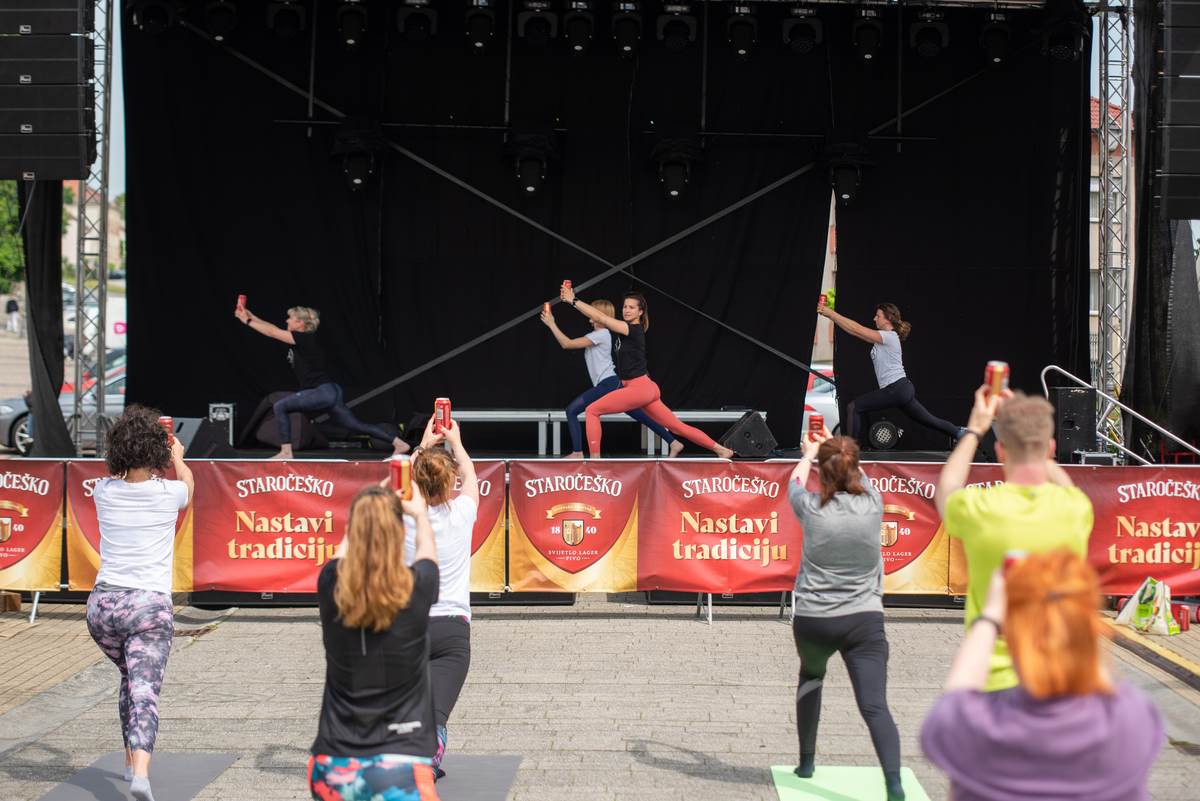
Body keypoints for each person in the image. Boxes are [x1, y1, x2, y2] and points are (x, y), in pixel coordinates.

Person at [922, 551, 1162, 801]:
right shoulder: (1130, 717)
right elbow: (1095, 668)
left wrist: (991, 617)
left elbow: (955, 696)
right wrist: (1069, 612)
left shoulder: (974, 725)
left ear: (1010, 632)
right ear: (1090, 624)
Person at [935, 386, 1094, 691]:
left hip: (995, 680)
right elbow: (1068, 487)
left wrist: (975, 429)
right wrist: (1033, 442)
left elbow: (947, 488)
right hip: (1056, 678)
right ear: (1050, 449)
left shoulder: (982, 508)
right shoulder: (1074, 509)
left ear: (1000, 452)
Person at [787, 429, 905, 801]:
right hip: (863, 620)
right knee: (875, 705)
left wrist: (809, 453)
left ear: (822, 473)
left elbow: (793, 480)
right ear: (854, 470)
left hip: (814, 620)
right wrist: (836, 450)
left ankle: (806, 763)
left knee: (811, 677)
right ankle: (894, 784)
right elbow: (858, 475)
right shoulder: (874, 502)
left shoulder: (808, 506)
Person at [86, 405, 195, 801]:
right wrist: (177, 458)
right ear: (157, 453)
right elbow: (189, 485)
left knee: (131, 680)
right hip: (147, 606)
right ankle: (142, 775)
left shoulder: (103, 491)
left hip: (102, 608)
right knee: (144, 689)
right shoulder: (170, 493)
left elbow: (116, 473)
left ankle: (130, 760)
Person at [310, 481, 442, 801]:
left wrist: (366, 504)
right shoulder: (417, 588)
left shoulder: (331, 586)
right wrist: (420, 514)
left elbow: (338, 557)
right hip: (401, 761)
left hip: (333, 763)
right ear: (398, 535)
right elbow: (428, 554)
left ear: (353, 531)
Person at [557, 286, 734, 459]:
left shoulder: (632, 329)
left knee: (592, 410)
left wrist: (573, 300)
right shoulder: (622, 330)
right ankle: (721, 450)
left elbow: (599, 316)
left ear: (640, 312)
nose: (626, 310)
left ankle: (595, 461)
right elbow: (599, 318)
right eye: (625, 307)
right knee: (676, 427)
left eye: (631, 307)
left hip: (639, 388)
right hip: (645, 387)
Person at [403, 415, 478, 779]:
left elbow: (395, 478)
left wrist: (424, 443)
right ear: (451, 483)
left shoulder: (400, 518)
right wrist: (456, 442)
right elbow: (470, 473)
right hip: (451, 630)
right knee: (434, 717)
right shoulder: (463, 512)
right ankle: (425, 763)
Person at [235, 304, 408, 460]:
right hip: (330, 392)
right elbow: (272, 329)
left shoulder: (304, 338)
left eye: (291, 318)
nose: (286, 320)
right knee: (355, 425)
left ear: (300, 324)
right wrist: (250, 316)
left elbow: (272, 332)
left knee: (280, 406)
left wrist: (248, 321)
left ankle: (286, 452)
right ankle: (399, 443)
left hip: (321, 392)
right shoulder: (299, 339)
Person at [540, 299, 683, 459]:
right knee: (640, 414)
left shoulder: (601, 334)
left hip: (608, 383)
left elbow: (567, 344)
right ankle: (673, 442)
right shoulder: (601, 334)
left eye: (592, 312)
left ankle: (578, 452)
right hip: (612, 382)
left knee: (571, 410)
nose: (588, 314)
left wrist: (551, 324)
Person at [818, 302, 964, 446]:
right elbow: (853, 331)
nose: (874, 319)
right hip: (901, 389)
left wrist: (830, 313)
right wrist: (832, 317)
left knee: (854, 407)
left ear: (888, 318)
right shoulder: (883, 338)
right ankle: (961, 434)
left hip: (897, 388)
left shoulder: (889, 336)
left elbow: (857, 329)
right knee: (930, 420)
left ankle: (849, 450)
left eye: (878, 316)